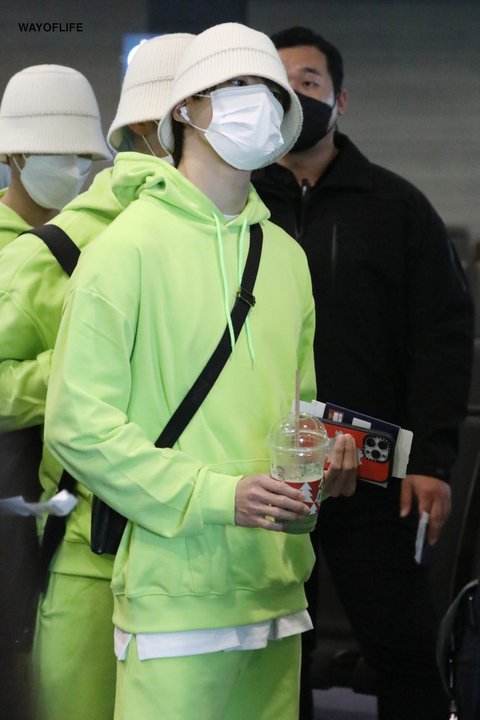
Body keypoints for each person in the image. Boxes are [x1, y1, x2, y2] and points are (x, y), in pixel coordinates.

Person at [44, 22, 357, 720]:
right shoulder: (126, 248)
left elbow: (298, 411)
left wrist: (324, 457)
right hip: (175, 599)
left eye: (271, 91)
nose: (259, 101)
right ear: (185, 106)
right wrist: (218, 495)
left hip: (277, 591)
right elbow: (77, 424)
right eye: (236, 84)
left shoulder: (286, 256)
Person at [252, 26, 474, 720]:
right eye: (280, 85)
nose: (295, 97)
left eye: (309, 83)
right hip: (264, 467)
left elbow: (442, 338)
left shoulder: (396, 207)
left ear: (340, 98)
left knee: (403, 647)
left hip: (374, 470)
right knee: (277, 647)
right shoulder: (239, 203)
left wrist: (432, 460)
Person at [0, 34, 193, 720]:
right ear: (12, 156)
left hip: (104, 500)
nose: (77, 171)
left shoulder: (114, 235)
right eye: (59, 156)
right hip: (29, 504)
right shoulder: (38, 254)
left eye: (86, 158)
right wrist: (80, 368)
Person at [0, 64, 111, 251]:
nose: (73, 170)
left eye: (83, 154)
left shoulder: (91, 236)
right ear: (15, 153)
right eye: (56, 152)